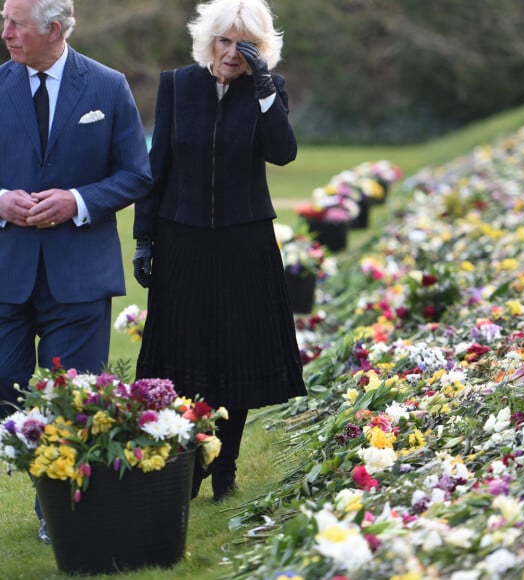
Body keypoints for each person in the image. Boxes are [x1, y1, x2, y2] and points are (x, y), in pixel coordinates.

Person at [132, 0, 307, 503]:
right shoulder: (177, 85)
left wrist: (265, 89)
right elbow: (156, 165)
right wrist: (145, 238)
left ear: (261, 49)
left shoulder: (266, 92)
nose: (233, 53)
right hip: (182, 236)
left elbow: (283, 152)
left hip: (243, 240)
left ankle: (225, 463)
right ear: (208, 40)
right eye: (225, 41)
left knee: (236, 352)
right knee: (184, 353)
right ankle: (191, 461)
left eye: (245, 45)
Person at [0, 0, 152, 541]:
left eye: (16, 24)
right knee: (6, 390)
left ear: (55, 30)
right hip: (6, 272)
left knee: (75, 402)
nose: (6, 33)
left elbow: (137, 174)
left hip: (80, 275)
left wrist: (78, 201)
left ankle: (61, 516)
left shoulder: (108, 87)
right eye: (5, 20)